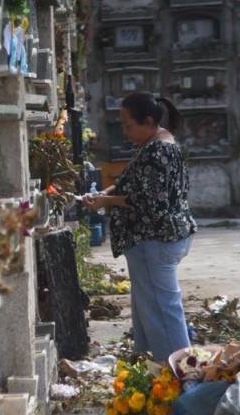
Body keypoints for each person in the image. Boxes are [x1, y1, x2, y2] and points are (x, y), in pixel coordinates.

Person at [84, 92, 197, 361]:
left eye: (128, 125)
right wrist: (105, 194)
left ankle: (180, 378)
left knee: (163, 314)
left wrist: (107, 200)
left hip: (155, 239)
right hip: (154, 240)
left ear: (148, 121)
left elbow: (150, 202)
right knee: (150, 311)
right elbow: (130, 183)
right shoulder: (153, 144)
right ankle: (155, 373)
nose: (125, 131)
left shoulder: (159, 150)